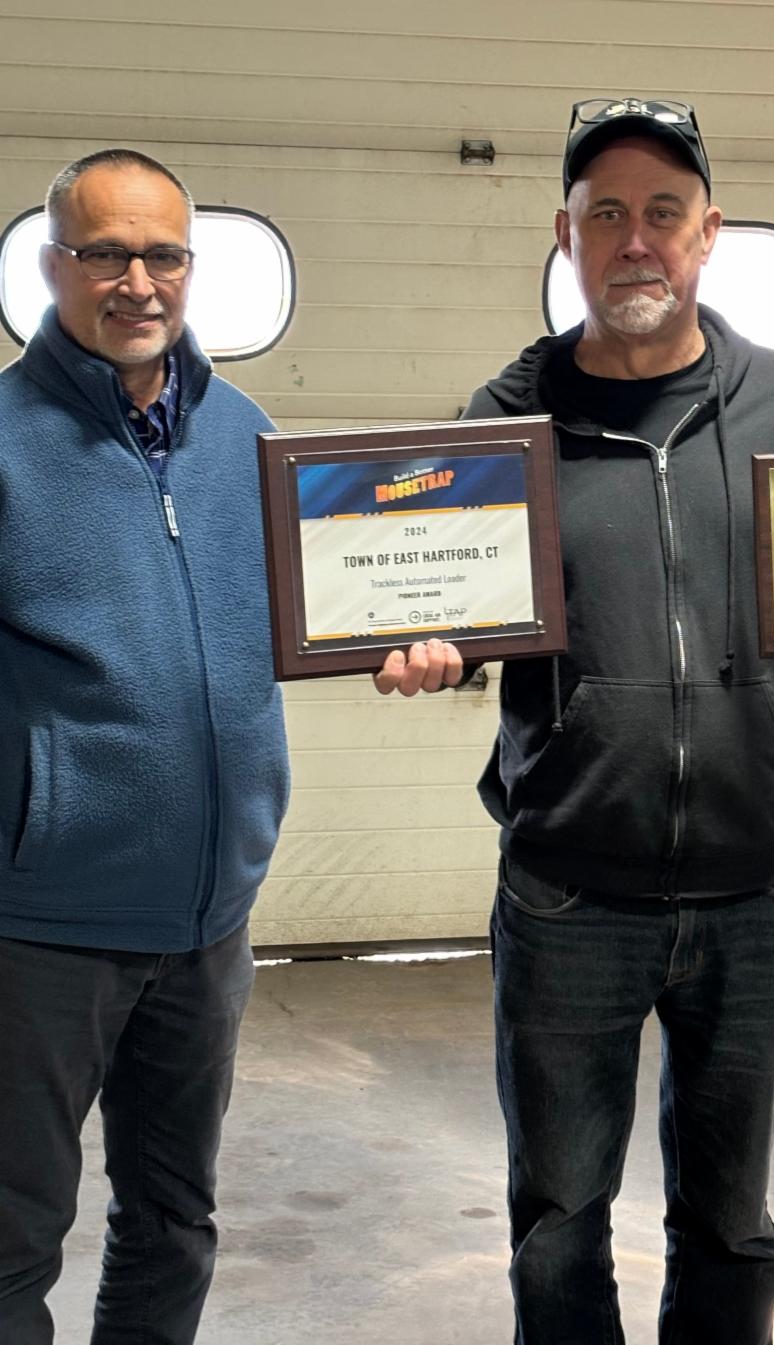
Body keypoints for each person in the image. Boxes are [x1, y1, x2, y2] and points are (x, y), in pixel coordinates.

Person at [375, 97, 774, 1344]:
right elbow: (451, 613)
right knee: (559, 1215)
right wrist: (425, 650)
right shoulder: (504, 420)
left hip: (759, 895)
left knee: (732, 1223)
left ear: (709, 233)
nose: (637, 239)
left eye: (664, 214)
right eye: (607, 213)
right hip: (569, 894)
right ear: (564, 235)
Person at [0, 149, 290, 1344]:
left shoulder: (249, 438)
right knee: (13, 1235)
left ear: (189, 265)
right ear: (51, 264)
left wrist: (416, 642)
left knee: (174, 1220)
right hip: (46, 927)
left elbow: (326, 606)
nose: (136, 282)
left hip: (211, 919)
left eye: (161, 253)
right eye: (104, 252)